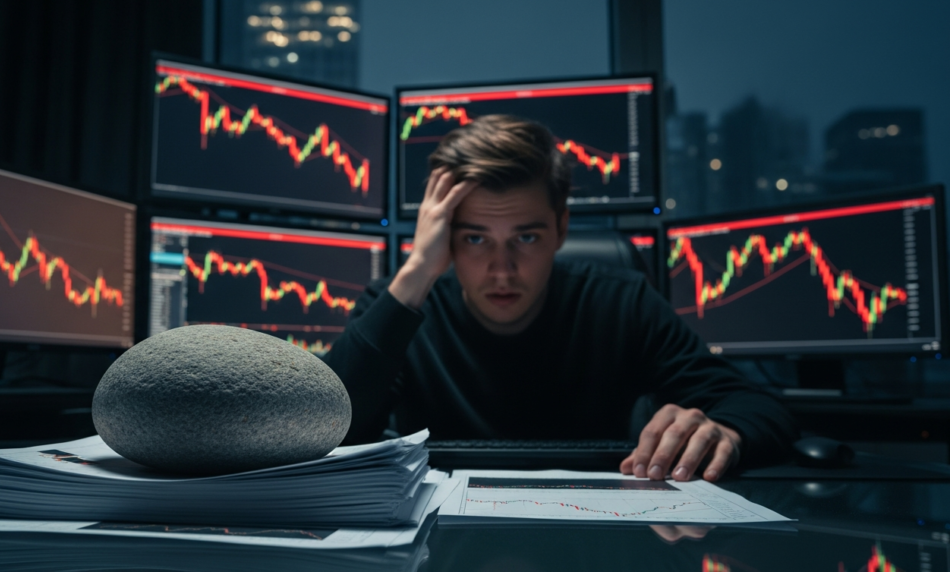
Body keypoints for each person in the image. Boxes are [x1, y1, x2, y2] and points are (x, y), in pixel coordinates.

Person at [323, 115, 797, 482]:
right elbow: (327, 426)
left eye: (525, 238)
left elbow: (755, 405)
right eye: (474, 239)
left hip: (594, 535)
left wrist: (726, 433)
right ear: (442, 236)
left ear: (561, 228)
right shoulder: (402, 307)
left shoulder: (619, 302)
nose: (502, 269)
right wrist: (415, 272)